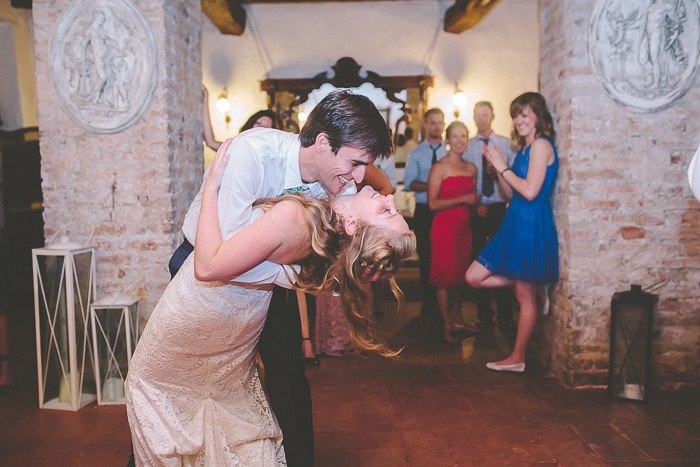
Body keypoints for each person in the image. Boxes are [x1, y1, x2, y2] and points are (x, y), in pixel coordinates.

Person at [126, 137, 416, 465]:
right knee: (209, 424)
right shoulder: (324, 233)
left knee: (172, 417)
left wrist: (210, 188)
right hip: (232, 325)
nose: (390, 198)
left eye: (387, 211)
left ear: (353, 225)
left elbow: (208, 264)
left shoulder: (298, 219)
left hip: (202, 314)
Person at [466, 92, 559, 373]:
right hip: (514, 219)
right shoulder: (523, 149)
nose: (519, 120)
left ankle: (517, 358)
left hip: (531, 222)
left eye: (525, 114)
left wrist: (503, 167)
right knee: (473, 277)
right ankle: (534, 282)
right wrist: (499, 170)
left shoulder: (542, 145)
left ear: (538, 117)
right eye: (516, 115)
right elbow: (511, 194)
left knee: (523, 297)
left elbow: (531, 191)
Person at [463, 101, 517, 330]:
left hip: (499, 208)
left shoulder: (507, 144)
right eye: (478, 115)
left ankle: (505, 314)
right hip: (475, 210)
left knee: (503, 261)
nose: (481, 119)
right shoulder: (466, 146)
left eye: (485, 114)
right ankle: (483, 313)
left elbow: (515, 179)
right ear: (474, 118)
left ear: (493, 116)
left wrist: (499, 174)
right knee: (477, 260)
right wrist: (473, 206)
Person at [427, 121, 481, 343]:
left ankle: (459, 320)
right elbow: (432, 204)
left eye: (464, 136)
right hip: (444, 230)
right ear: (447, 140)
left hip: (463, 230)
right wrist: (463, 199)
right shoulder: (439, 168)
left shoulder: (471, 168)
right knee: (444, 280)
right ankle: (447, 325)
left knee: (460, 277)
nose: (460, 140)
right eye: (455, 136)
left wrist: (479, 208)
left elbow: (472, 201)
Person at [403, 108, 446, 316]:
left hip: (446, 211)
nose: (437, 126)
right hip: (424, 211)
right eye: (433, 123)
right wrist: (436, 184)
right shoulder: (417, 153)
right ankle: (429, 303)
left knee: (445, 257)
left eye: (440, 122)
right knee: (427, 258)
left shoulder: (450, 151)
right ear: (425, 125)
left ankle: (445, 304)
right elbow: (410, 183)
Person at [201, 85, 280, 151]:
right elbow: (210, 142)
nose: (260, 128)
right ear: (251, 124)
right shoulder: (237, 147)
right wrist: (205, 101)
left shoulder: (270, 154)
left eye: (266, 127)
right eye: (258, 123)